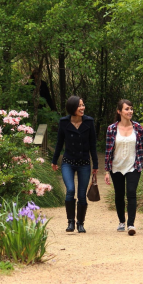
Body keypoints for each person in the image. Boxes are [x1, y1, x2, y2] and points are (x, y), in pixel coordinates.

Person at [52, 96, 99, 233]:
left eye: (83, 105)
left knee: (82, 194)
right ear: (72, 107)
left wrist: (95, 164)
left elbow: (93, 145)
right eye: (79, 105)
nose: (82, 108)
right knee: (70, 190)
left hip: (84, 163)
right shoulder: (64, 122)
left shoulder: (89, 122)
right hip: (68, 162)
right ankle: (70, 222)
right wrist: (54, 161)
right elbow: (59, 143)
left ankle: (80, 223)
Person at [104, 99, 143, 236]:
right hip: (116, 166)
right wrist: (106, 171)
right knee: (119, 194)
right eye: (127, 109)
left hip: (133, 166)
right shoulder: (112, 129)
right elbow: (108, 151)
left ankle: (131, 224)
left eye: (131, 109)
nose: (130, 111)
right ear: (119, 111)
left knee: (131, 192)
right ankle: (122, 221)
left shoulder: (138, 128)